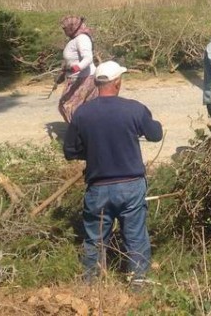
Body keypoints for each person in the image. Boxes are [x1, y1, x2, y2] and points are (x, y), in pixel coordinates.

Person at [63, 61, 163, 289]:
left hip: (98, 187)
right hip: (130, 185)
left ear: (97, 84)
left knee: (95, 240)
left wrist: (91, 149)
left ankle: (91, 285)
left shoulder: (82, 113)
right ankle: (138, 283)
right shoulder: (134, 109)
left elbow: (70, 151)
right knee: (136, 236)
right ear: (117, 83)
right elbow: (155, 135)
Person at [58, 15, 98, 123]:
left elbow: (88, 58)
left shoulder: (82, 39)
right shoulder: (74, 39)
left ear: (72, 27)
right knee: (84, 108)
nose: (64, 30)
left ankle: (79, 133)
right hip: (75, 78)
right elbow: (71, 60)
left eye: (65, 28)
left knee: (68, 105)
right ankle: (86, 132)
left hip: (85, 78)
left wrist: (76, 68)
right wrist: (63, 74)